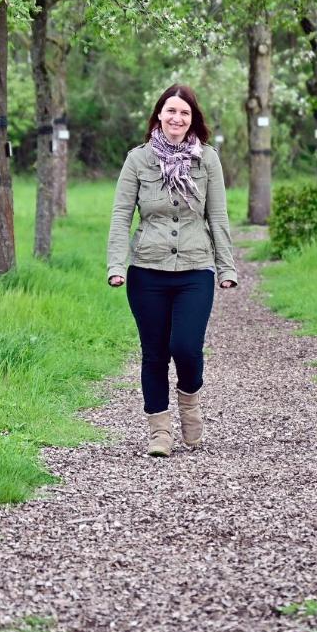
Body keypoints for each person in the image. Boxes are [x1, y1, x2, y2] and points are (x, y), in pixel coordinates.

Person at [106, 84, 237, 457]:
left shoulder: (207, 159)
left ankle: (191, 405)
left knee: (186, 347)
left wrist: (226, 266)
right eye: (170, 111)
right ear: (158, 116)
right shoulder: (138, 160)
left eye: (184, 113)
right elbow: (121, 215)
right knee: (154, 353)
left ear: (192, 119)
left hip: (196, 269)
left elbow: (218, 216)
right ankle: (159, 432)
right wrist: (117, 264)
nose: (177, 118)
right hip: (147, 270)